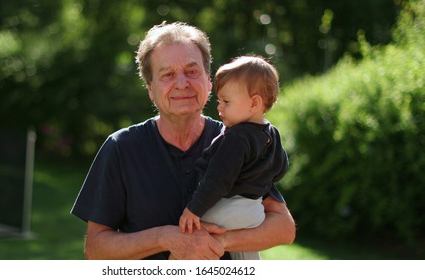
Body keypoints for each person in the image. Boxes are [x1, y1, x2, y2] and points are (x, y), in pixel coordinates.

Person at [71, 21, 295, 260]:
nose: (182, 83)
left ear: (209, 81)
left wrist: (220, 241)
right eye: (167, 74)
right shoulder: (121, 147)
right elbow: (95, 249)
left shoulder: (238, 138)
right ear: (150, 88)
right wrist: (165, 238)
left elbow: (284, 228)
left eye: (191, 71)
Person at [178, 55, 288, 260]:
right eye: (219, 100)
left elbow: (217, 180)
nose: (219, 107)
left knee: (188, 239)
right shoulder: (272, 133)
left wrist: (193, 209)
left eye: (226, 102)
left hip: (227, 210)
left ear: (254, 103)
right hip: (253, 212)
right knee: (245, 254)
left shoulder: (235, 138)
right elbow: (281, 168)